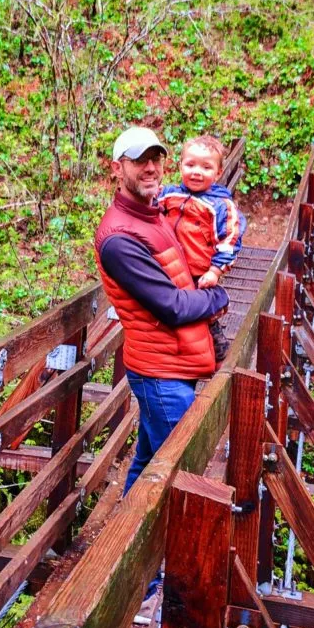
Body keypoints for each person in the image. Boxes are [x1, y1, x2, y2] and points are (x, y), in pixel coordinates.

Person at [94, 126, 229, 495]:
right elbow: (171, 306)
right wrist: (219, 298)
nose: (150, 167)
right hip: (160, 373)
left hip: (173, 364)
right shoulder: (120, 239)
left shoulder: (154, 214)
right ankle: (145, 547)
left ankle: (123, 532)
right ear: (117, 168)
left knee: (151, 459)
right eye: (139, 160)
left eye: (155, 158)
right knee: (181, 474)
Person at [158, 134, 244, 363]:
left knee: (204, 314)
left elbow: (231, 239)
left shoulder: (220, 205)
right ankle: (179, 352)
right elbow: (148, 210)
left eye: (206, 167)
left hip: (200, 270)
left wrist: (215, 271)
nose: (197, 171)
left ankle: (218, 352)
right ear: (180, 167)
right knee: (173, 309)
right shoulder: (168, 194)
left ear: (217, 173)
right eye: (190, 164)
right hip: (170, 267)